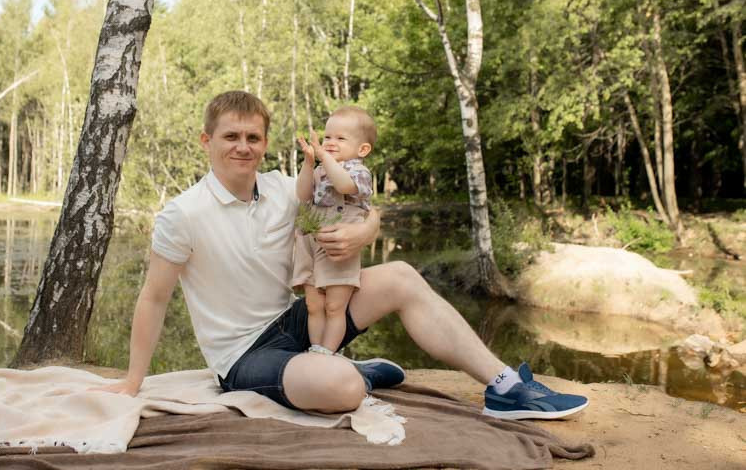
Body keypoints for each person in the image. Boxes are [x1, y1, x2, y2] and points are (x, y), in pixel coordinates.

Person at [98, 91, 588, 419]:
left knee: (400, 274)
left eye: (253, 137)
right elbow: (153, 299)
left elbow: (362, 205)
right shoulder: (183, 214)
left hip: (297, 323)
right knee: (343, 390)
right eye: (231, 136)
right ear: (207, 141)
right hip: (244, 357)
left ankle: (505, 387)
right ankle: (352, 372)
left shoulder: (284, 189)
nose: (243, 147)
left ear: (265, 143)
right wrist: (133, 381)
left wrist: (364, 231)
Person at [292, 106, 375, 356]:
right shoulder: (321, 169)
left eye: (340, 138)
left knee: (334, 306)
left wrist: (323, 156)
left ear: (362, 149)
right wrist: (309, 163)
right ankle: (316, 350)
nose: (330, 142)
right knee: (314, 305)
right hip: (310, 240)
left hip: (337, 244)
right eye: (327, 137)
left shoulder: (358, 171)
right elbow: (303, 194)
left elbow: (343, 185)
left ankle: (328, 353)